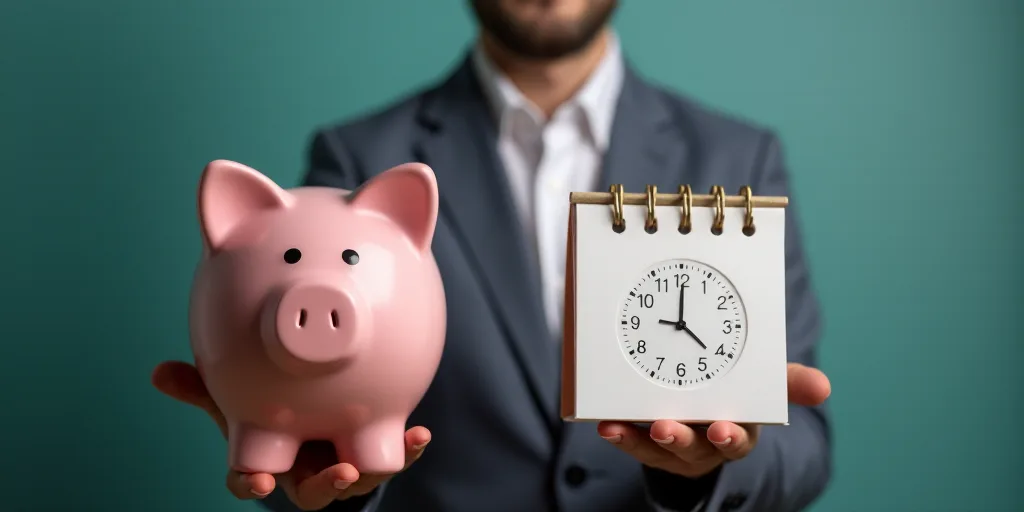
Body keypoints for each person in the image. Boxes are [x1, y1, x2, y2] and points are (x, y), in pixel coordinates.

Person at [152, 1, 833, 510]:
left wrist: (704, 472)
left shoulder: (737, 160)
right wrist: (326, 477)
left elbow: (802, 446)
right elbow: (306, 412)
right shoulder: (360, 159)